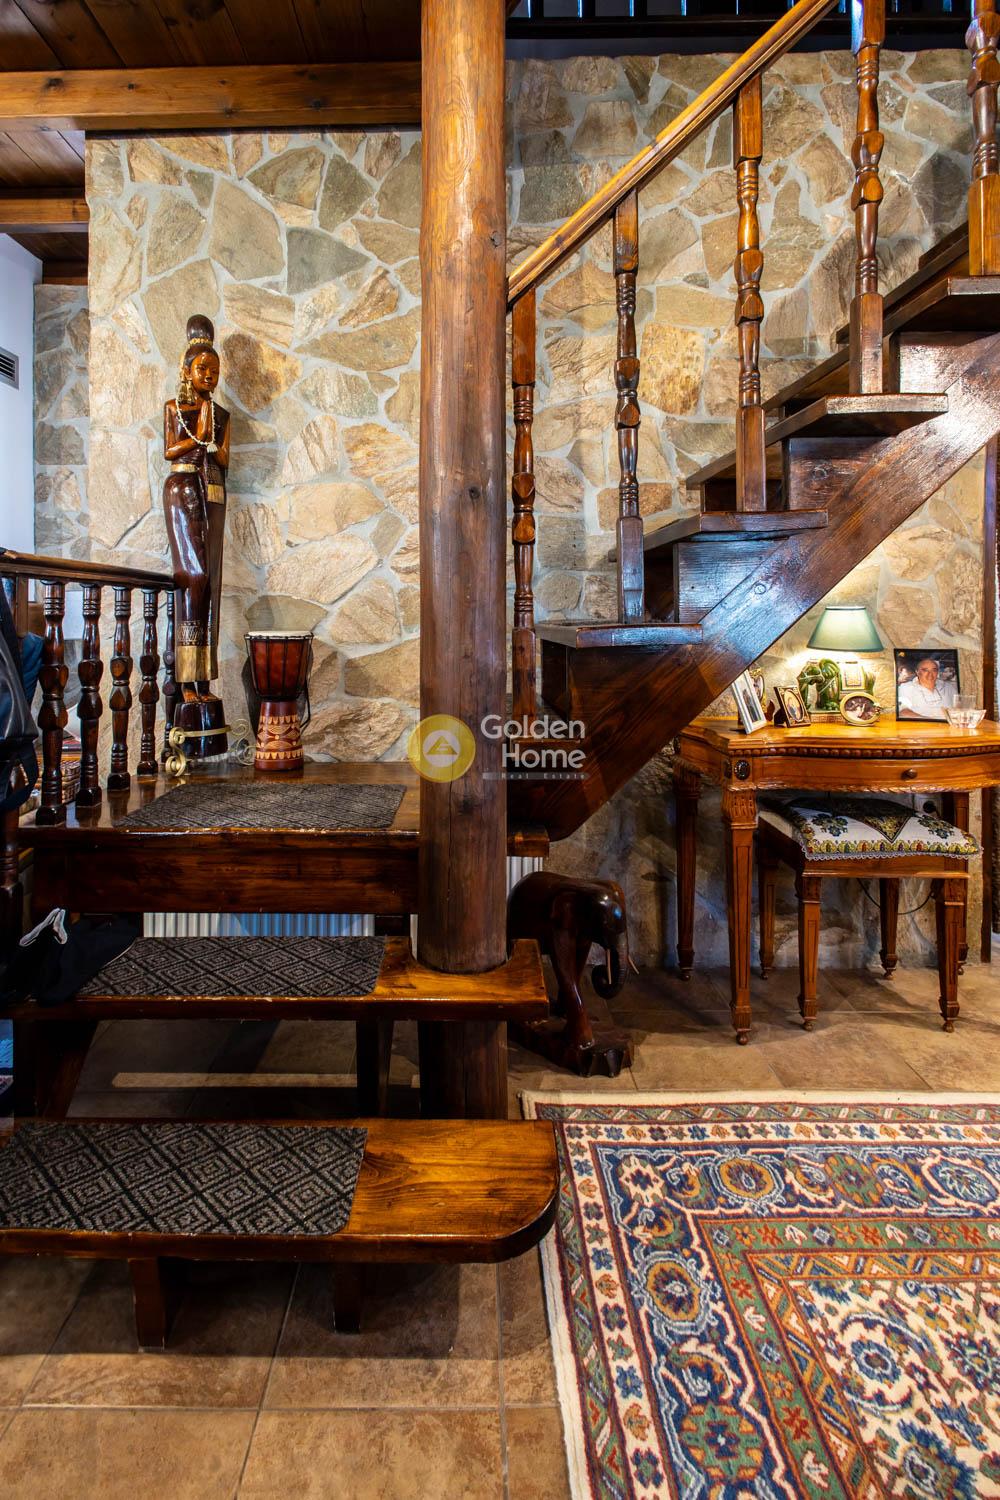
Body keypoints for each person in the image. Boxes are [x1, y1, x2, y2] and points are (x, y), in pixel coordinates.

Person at [162, 314, 231, 756]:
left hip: (214, 493)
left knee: (213, 585)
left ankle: (204, 681)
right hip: (183, 487)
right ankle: (187, 679)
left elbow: (223, 457)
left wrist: (212, 437)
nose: (209, 376)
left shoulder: (220, 414)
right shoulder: (177, 408)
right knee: (194, 578)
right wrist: (200, 435)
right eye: (202, 369)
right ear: (188, 371)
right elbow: (171, 449)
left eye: (214, 371)